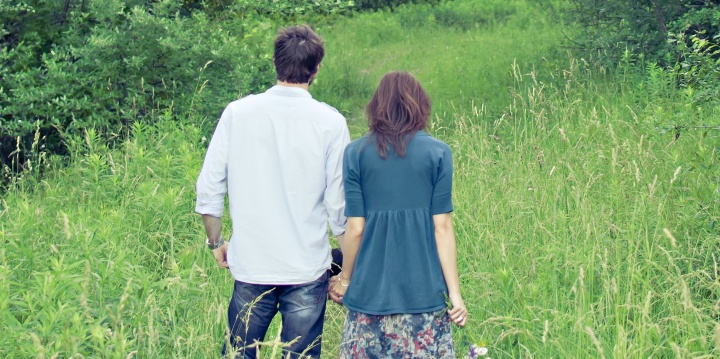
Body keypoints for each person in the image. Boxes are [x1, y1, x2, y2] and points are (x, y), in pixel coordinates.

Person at [195, 24, 350, 359]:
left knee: (238, 355)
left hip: (252, 264)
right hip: (307, 268)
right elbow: (340, 207)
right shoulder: (331, 123)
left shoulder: (238, 113)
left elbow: (209, 188)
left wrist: (217, 242)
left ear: (275, 63)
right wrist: (347, 271)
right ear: (316, 69)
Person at [328, 71, 467, 358]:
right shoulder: (439, 153)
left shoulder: (355, 153)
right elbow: (442, 228)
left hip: (368, 294)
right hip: (424, 294)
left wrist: (345, 279)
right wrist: (454, 294)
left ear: (375, 106)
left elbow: (355, 228)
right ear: (420, 105)